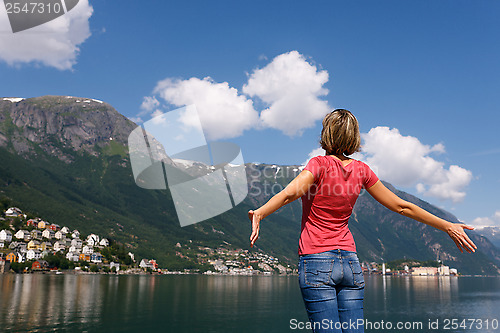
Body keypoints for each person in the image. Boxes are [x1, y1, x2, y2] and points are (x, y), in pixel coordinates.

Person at [248, 109, 477, 333]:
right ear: (353, 137)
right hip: (350, 263)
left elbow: (289, 193)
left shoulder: (318, 164)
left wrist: (261, 212)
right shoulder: (362, 170)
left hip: (317, 261)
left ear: (326, 134)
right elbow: (402, 206)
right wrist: (446, 225)